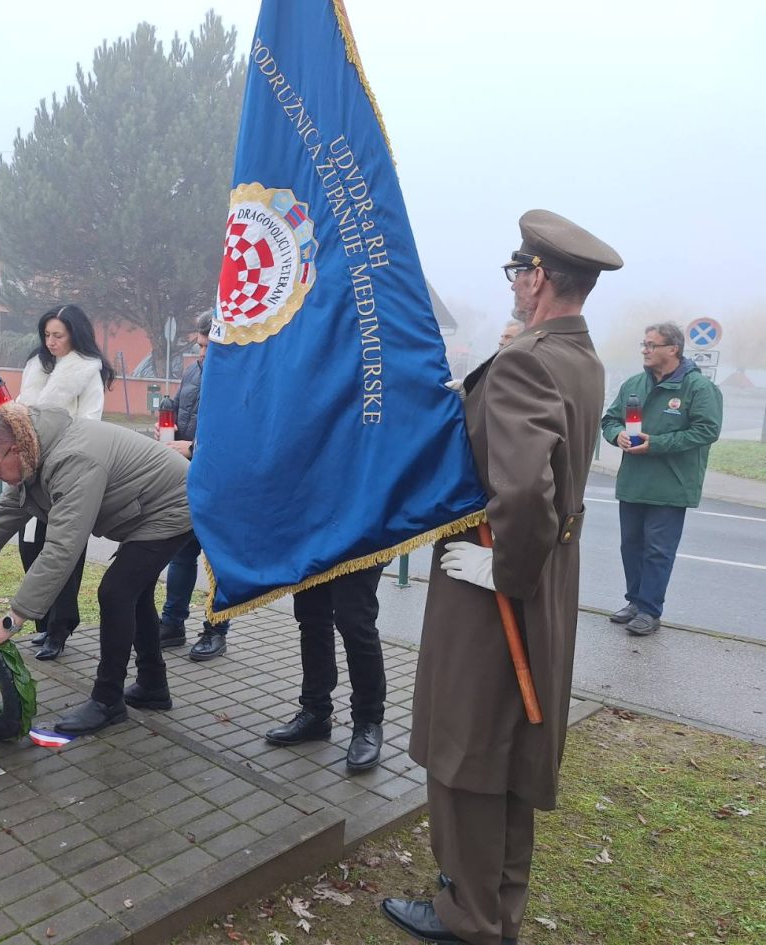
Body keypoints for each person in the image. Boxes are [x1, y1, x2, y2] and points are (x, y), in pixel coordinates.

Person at [382, 210, 622, 945]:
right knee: (510, 750)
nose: (515, 285)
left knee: (468, 752)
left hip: (497, 585)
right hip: (542, 577)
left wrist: (503, 568)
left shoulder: (527, 360)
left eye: (517, 272)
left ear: (539, 276)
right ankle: (497, 908)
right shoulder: (580, 356)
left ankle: (468, 917)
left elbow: (523, 492)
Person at [0, 404, 192, 736]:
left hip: (173, 505)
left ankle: (107, 701)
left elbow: (62, 547)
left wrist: (11, 620)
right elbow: (6, 511)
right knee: (134, 593)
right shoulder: (37, 450)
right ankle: (152, 685)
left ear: (15, 448)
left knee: (116, 592)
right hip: (145, 509)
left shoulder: (72, 460)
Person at [600, 321, 722, 636]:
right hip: (633, 482)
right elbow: (610, 419)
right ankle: (635, 602)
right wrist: (618, 437)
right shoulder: (634, 384)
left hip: (671, 484)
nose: (645, 349)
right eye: (644, 344)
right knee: (631, 546)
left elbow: (707, 430)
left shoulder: (698, 388)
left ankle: (650, 610)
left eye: (651, 345)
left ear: (673, 348)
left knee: (657, 549)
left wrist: (657, 444)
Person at [13, 304, 115, 661]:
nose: (51, 342)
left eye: (58, 335)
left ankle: (61, 628)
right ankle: (44, 623)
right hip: (30, 469)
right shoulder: (37, 367)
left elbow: (90, 422)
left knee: (64, 551)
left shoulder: (87, 372)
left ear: (75, 334)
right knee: (30, 547)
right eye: (47, 335)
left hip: (68, 470)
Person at [158, 311, 231, 661]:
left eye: (207, 346)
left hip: (222, 482)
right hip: (188, 476)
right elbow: (182, 420)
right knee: (182, 552)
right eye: (199, 346)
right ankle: (172, 624)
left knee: (217, 561)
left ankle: (216, 630)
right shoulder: (193, 371)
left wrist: (192, 448)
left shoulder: (238, 375)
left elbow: (239, 434)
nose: (201, 353)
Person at [264, 566, 386, 771]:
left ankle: (368, 721)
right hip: (312, 536)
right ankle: (315, 711)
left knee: (355, 621)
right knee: (311, 618)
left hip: (359, 539)